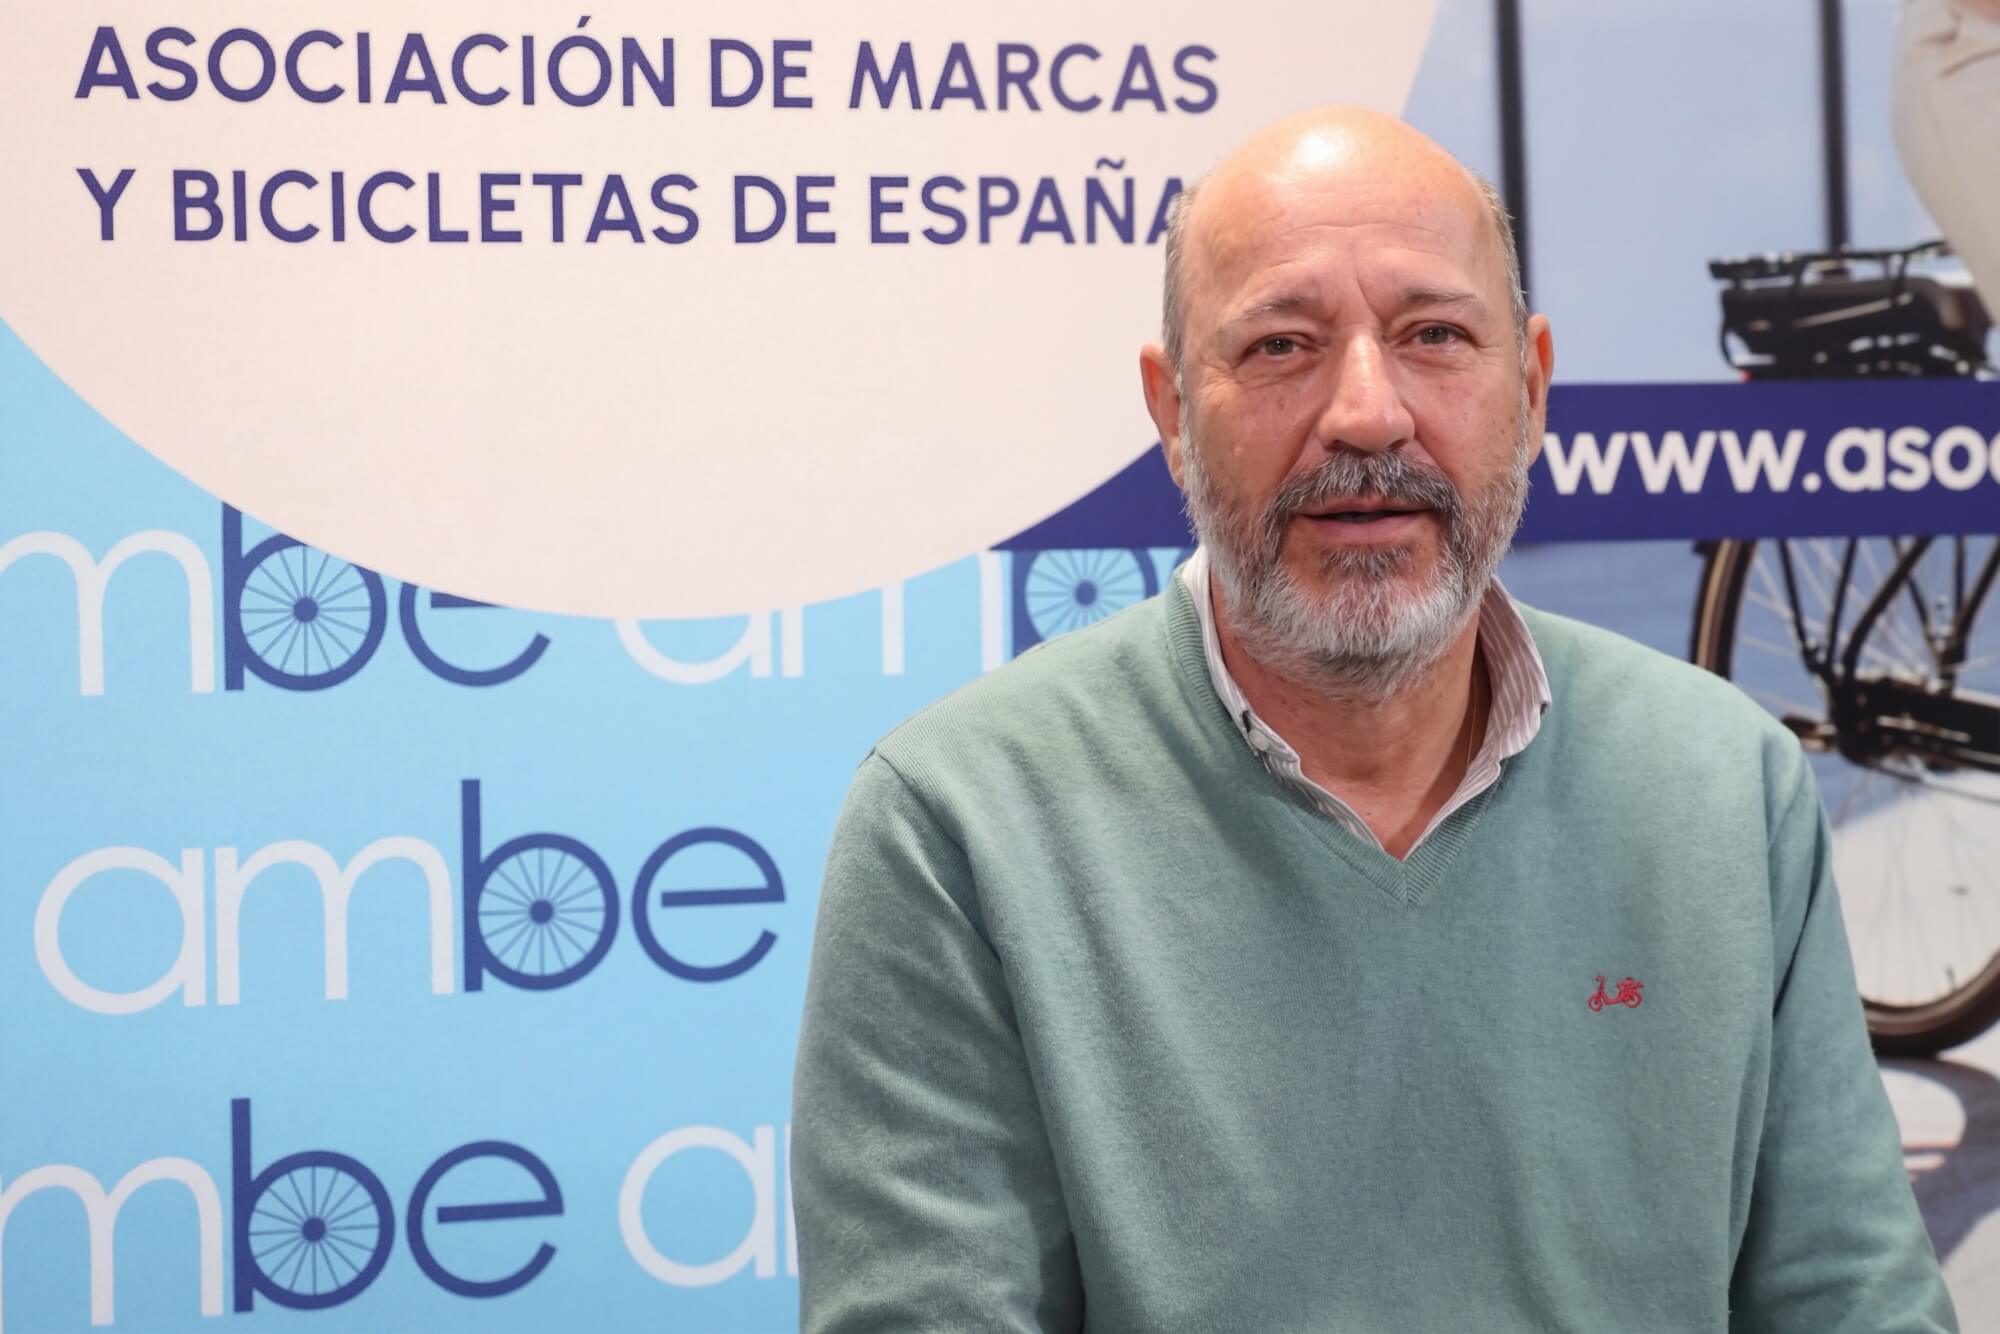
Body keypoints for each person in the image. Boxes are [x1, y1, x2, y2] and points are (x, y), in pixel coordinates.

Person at [791, 106, 1958, 1332]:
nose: (1366, 412)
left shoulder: (1724, 783)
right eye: (1281, 345)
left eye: (1433, 334)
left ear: (1530, 388)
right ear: (1172, 412)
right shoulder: (957, 824)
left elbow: (1852, 1299)